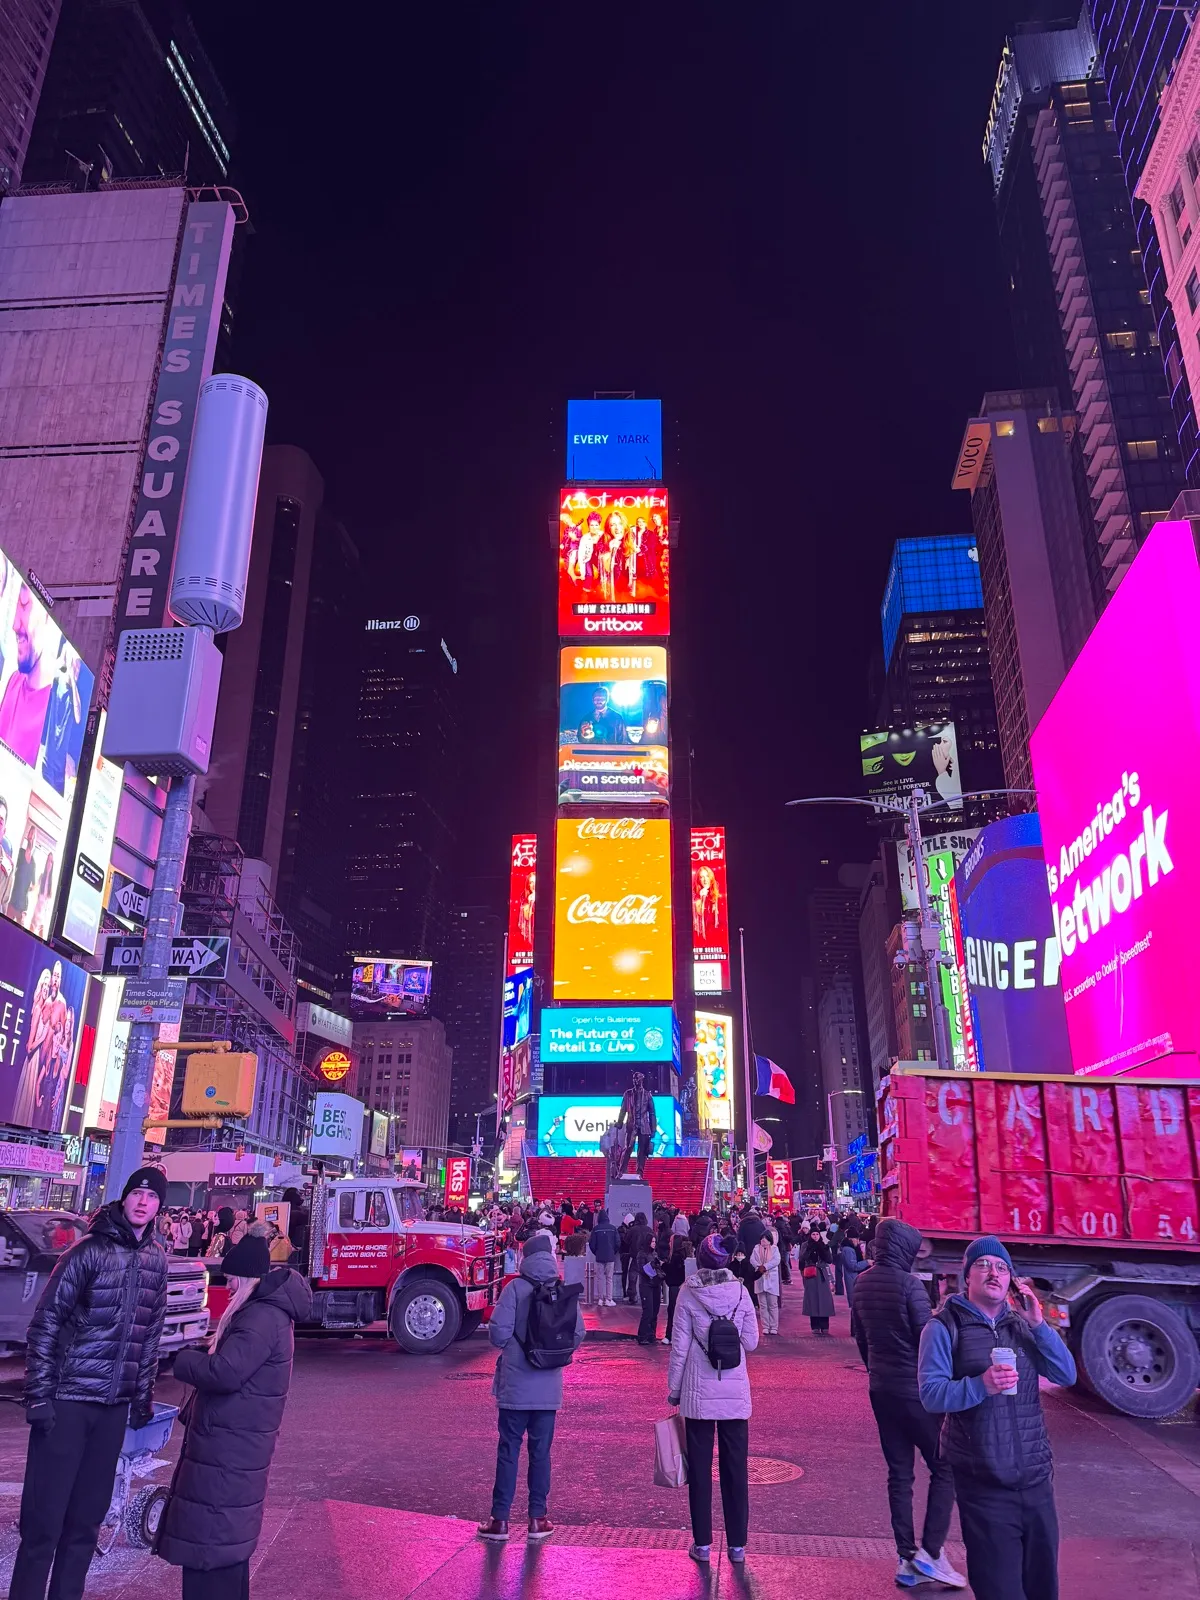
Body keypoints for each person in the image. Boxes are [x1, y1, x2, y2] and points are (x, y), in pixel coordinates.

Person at [12, 1167, 168, 1600]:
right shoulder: (87, 1251)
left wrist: (142, 1396)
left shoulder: (156, 1259)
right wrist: (38, 1396)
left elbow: (150, 1335)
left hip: (112, 1409)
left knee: (85, 1524)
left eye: (152, 1197)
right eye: (137, 1194)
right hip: (67, 1402)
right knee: (43, 1524)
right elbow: (45, 1324)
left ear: (159, 1206)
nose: (143, 1202)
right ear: (124, 1198)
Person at [918, 1236, 1077, 1600]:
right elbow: (931, 1395)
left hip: (1036, 1481)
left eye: (1002, 1267)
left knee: (1043, 1589)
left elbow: (1066, 1374)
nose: (994, 1272)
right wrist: (981, 1385)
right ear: (967, 1276)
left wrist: (1039, 1325)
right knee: (1000, 1590)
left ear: (1010, 1280)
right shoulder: (943, 1327)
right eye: (983, 1265)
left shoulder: (1020, 1325)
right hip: (984, 1486)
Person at [157, 1231, 313, 1598]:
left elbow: (226, 1372)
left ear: (245, 1278)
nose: (227, 1287)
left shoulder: (261, 1317)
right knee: (223, 1549)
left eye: (230, 1280)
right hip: (235, 1446)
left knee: (212, 1550)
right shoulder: (265, 1314)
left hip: (230, 1451)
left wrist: (181, 1359)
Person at [853, 1218, 963, 1590]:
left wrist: (875, 1371)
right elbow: (926, 1340)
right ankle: (931, 1552)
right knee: (944, 1466)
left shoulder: (862, 1282)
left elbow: (861, 1338)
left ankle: (905, 1558)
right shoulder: (909, 1286)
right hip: (916, 1393)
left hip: (881, 1390)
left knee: (899, 1474)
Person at [477, 1233, 585, 1542]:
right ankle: (538, 1519)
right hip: (548, 1389)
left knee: (508, 1450)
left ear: (526, 1258)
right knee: (541, 1453)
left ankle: (499, 1521)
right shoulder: (561, 1290)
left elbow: (498, 1334)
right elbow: (578, 1332)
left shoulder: (514, 1289)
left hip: (515, 1387)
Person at [667, 1233, 759, 1565]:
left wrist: (674, 1390)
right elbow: (751, 1342)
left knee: (700, 1469)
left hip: (698, 1392)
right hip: (734, 1393)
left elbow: (679, 1347)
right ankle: (737, 1546)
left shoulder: (687, 1293)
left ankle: (703, 1544)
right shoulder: (741, 1292)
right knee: (735, 1468)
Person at [0, 586, 53, 766]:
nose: (15, 625)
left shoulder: (53, 707)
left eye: (25, 604)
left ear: (46, 618)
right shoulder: (13, 681)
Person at [801, 1225, 835, 1334]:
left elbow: (829, 1259)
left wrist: (822, 1249)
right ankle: (815, 1326)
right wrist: (810, 1249)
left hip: (822, 1275)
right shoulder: (806, 1245)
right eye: (813, 1234)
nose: (815, 1236)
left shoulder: (823, 1245)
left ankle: (824, 1325)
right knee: (813, 1300)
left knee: (824, 1300)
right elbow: (802, 1258)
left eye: (817, 1234)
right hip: (811, 1274)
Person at [635, 1232, 665, 1345]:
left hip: (655, 1284)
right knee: (648, 1311)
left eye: (655, 1241)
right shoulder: (641, 1254)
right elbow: (641, 1270)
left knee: (655, 1311)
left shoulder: (654, 1253)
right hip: (646, 1285)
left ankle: (651, 1335)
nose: (654, 1243)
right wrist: (652, 1264)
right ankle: (642, 1335)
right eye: (652, 1241)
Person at [751, 1228, 781, 1335]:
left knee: (772, 1304)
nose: (763, 1240)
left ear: (770, 1239)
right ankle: (765, 1326)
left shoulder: (774, 1249)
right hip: (760, 1278)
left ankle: (774, 1326)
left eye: (766, 1238)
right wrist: (759, 1267)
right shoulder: (756, 1248)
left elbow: (776, 1260)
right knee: (762, 1305)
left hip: (771, 1278)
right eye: (762, 1238)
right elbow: (752, 1260)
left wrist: (765, 1267)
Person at [663, 1234, 692, 1341]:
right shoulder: (683, 1256)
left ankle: (669, 1336)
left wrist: (664, 1266)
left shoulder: (675, 1257)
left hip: (675, 1287)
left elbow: (672, 1273)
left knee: (672, 1311)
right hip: (681, 1287)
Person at [589, 1208, 619, 1305]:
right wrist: (613, 1252)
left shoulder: (596, 1229)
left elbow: (592, 1244)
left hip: (599, 1257)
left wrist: (597, 1252)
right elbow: (617, 1243)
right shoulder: (613, 1228)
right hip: (610, 1256)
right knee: (609, 1278)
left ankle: (600, 1299)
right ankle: (609, 1299)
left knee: (600, 1278)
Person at [839, 1224, 869, 1310]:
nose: (858, 1241)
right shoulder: (848, 1250)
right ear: (851, 1239)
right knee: (855, 1304)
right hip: (852, 1278)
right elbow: (853, 1266)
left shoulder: (850, 1248)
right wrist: (867, 1262)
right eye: (857, 1239)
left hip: (854, 1278)